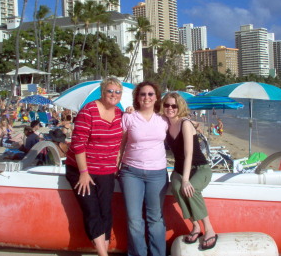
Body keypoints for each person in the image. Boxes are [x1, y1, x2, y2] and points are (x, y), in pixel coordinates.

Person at [64, 77, 124, 256]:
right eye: (110, 91)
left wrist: (117, 164)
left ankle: (102, 250)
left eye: (117, 92)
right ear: (102, 92)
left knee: (106, 211)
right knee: (92, 210)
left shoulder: (121, 114)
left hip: (106, 170)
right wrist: (83, 173)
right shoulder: (89, 110)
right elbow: (78, 143)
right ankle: (102, 254)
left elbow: (122, 141)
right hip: (83, 170)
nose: (113, 94)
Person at [162, 92, 218, 250]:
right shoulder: (165, 124)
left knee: (190, 190)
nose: (170, 108)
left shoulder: (185, 123)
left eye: (174, 105)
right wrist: (130, 111)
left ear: (180, 106)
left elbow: (189, 154)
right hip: (180, 169)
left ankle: (209, 229)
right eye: (167, 105)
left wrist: (185, 180)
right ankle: (195, 226)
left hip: (200, 168)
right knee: (176, 188)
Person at [118, 81, 169, 256]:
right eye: (143, 94)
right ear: (137, 98)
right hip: (131, 173)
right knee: (134, 219)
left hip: (158, 174)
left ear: (156, 98)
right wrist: (115, 167)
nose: (146, 97)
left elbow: (180, 130)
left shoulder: (163, 119)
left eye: (150, 94)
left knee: (155, 218)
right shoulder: (128, 117)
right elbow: (120, 145)